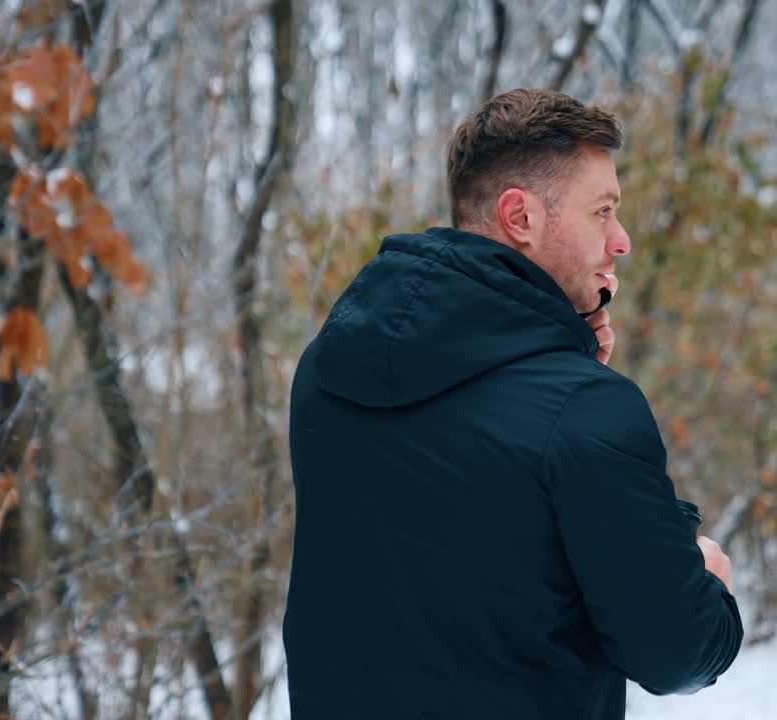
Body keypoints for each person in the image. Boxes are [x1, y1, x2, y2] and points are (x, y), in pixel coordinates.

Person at [284, 88, 743, 719]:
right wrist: (703, 578)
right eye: (602, 212)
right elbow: (677, 652)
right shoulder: (585, 411)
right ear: (520, 217)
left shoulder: (325, 371)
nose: (623, 240)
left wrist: (565, 360)